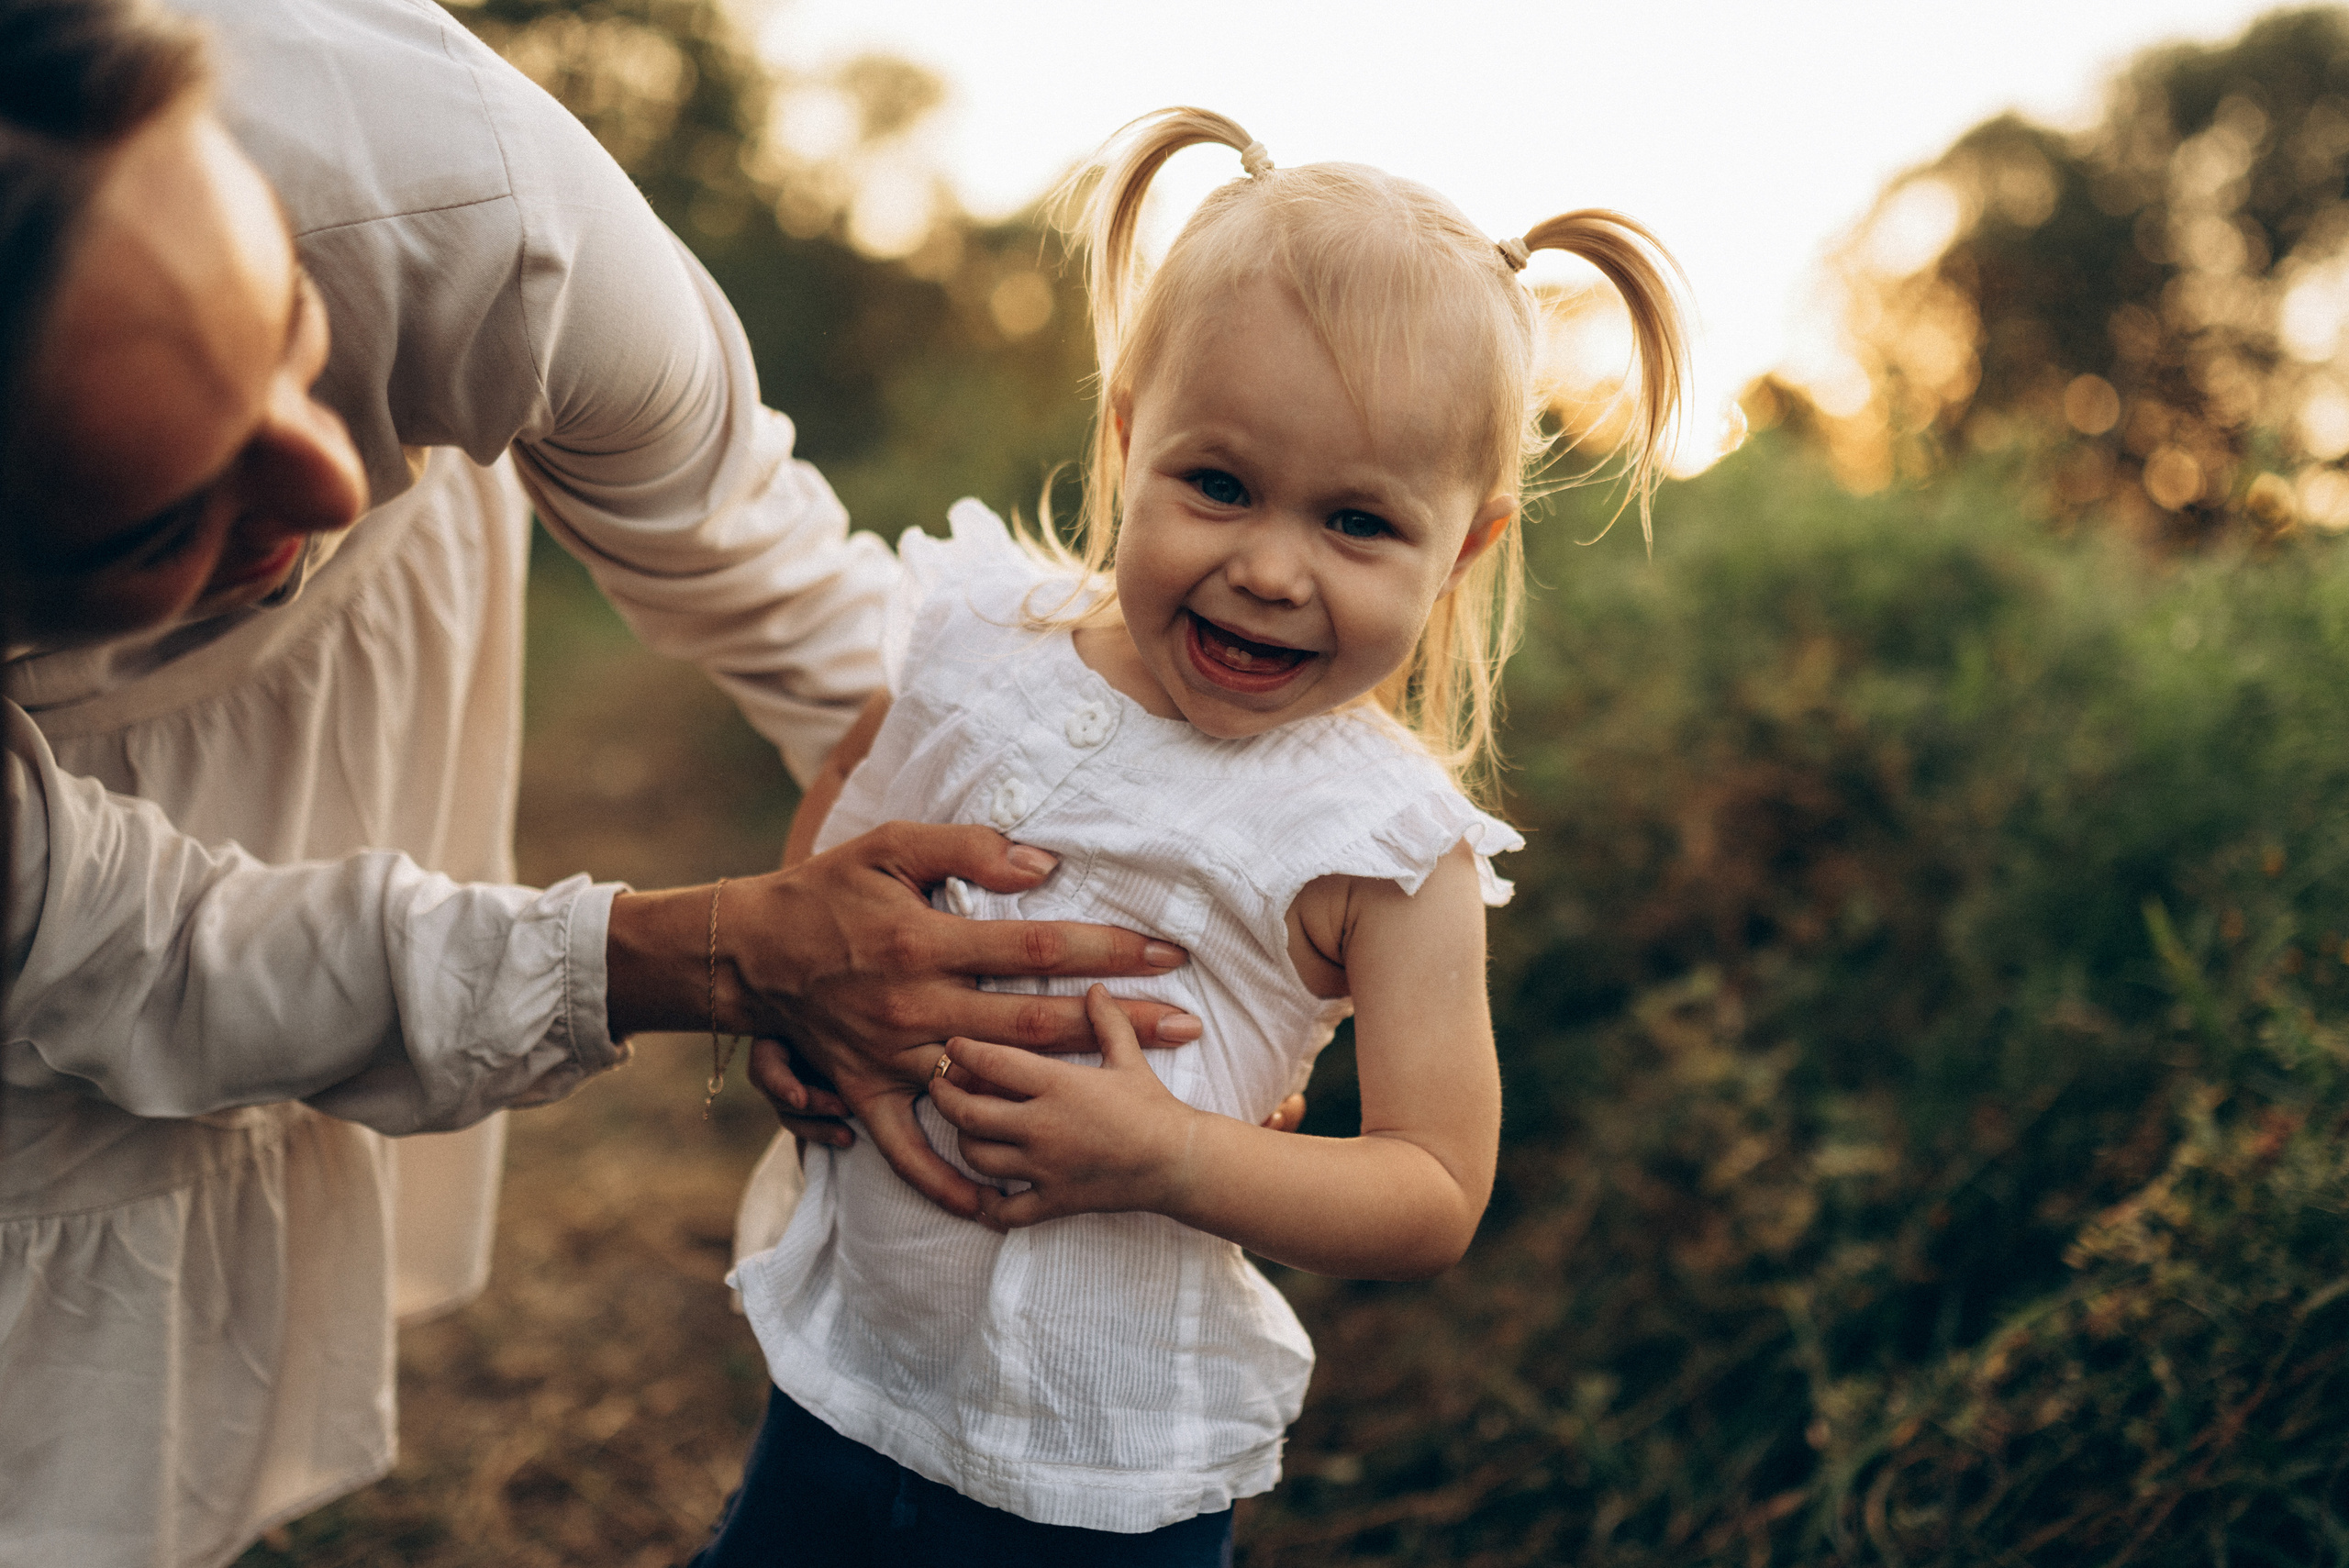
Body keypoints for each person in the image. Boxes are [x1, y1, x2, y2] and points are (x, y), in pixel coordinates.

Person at [0, 5, 1206, 1564]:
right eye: (169, 506)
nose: (331, 480)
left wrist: (1138, 908)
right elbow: (141, 948)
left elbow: (776, 583)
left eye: (296, 338)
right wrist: (720, 955)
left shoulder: (474, 201)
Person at [707, 107, 1691, 1563]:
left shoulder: (1385, 843)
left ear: (1461, 547)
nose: (1271, 567)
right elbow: (847, 815)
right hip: (848, 1379)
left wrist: (1171, 1153)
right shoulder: (981, 640)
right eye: (1218, 484)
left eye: (1358, 522)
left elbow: (1431, 1187)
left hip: (1107, 1478)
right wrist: (792, 984)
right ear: (1128, 437)